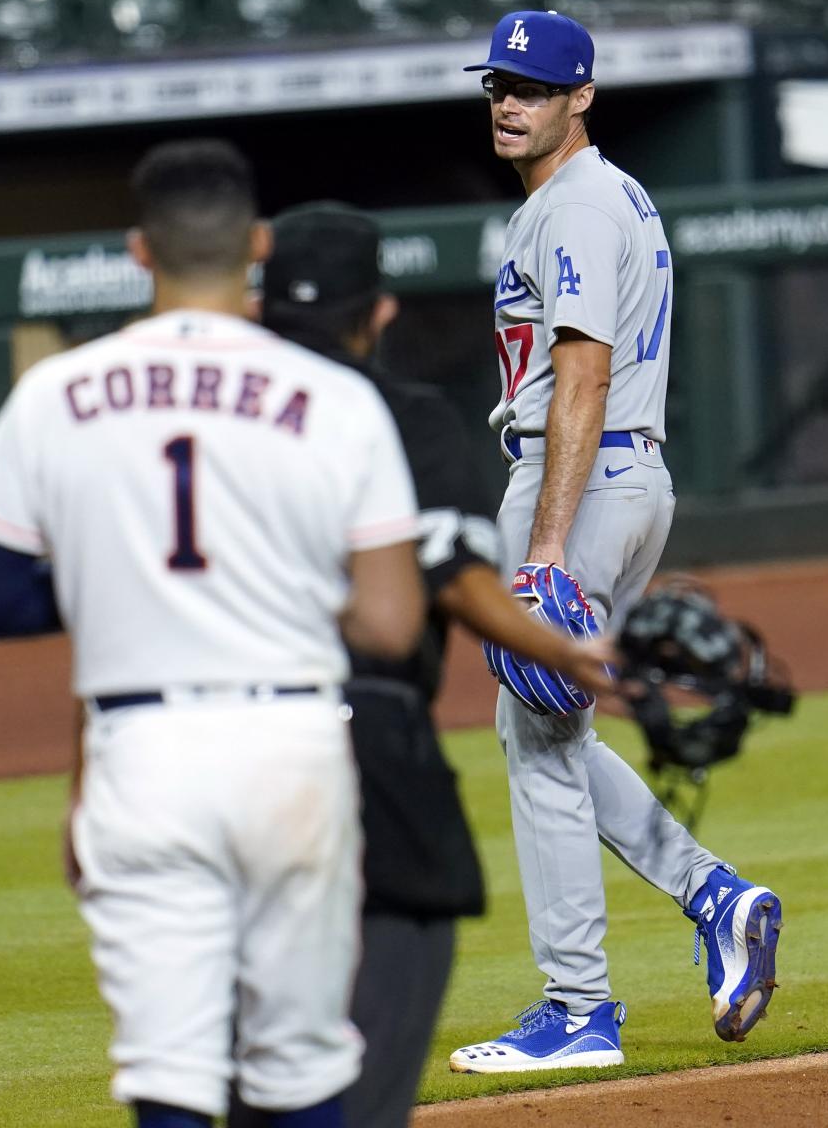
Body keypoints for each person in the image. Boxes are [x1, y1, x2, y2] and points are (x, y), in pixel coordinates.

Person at [0, 138, 426, 1128]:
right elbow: (390, 622)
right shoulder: (336, 398)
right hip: (291, 746)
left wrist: (112, 580)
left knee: (168, 1073)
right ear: (256, 244)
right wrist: (285, 584)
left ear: (139, 250)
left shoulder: (53, 395)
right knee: (300, 1063)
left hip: (143, 751)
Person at [449, 11, 784, 1073]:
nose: (511, 103)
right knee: (543, 725)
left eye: (534, 88)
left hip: (581, 482)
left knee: (539, 739)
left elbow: (582, 373)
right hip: (618, 478)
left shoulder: (578, 207)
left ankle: (579, 1009)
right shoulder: (599, 198)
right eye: (499, 85)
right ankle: (715, 898)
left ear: (580, 97)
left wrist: (547, 549)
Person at [253, 202, 619, 1128]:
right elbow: (453, 585)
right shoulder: (399, 416)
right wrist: (577, 655)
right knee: (367, 1065)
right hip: (360, 747)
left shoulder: (213, 420)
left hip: (210, 749)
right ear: (379, 313)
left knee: (241, 1054)